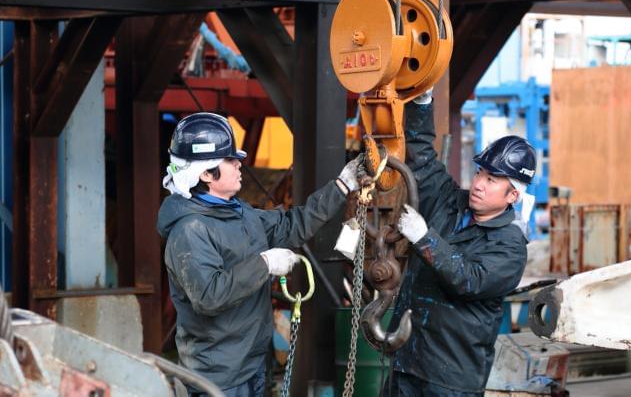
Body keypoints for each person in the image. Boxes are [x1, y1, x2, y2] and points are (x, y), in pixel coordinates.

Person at [157, 112, 362, 396]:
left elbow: (293, 226)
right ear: (205, 173)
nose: (239, 163)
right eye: (229, 159)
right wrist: (265, 263)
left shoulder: (241, 214)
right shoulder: (190, 231)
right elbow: (209, 296)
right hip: (218, 378)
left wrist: (341, 187)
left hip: (253, 365)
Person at [384, 95, 537, 396]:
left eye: (492, 179)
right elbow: (423, 158)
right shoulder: (448, 201)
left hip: (450, 378)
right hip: (406, 361)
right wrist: (422, 102)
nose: (479, 183)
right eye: (480, 172)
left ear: (512, 197)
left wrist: (424, 238)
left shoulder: (510, 246)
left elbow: (468, 280)